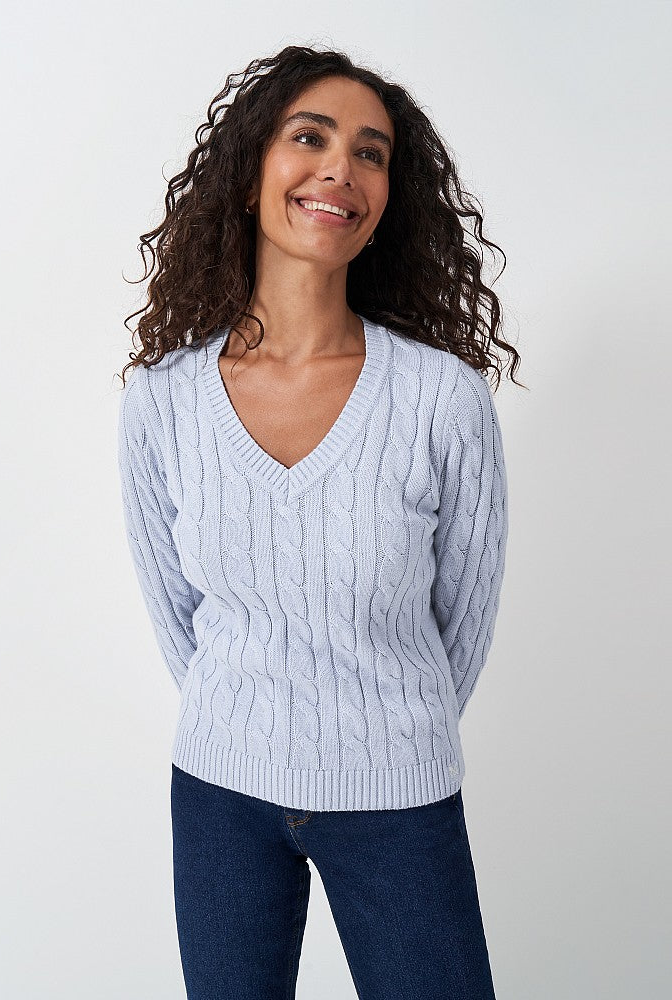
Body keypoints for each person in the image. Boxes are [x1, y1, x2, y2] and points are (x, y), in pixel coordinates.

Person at [116, 43, 522, 1000]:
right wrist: (252, 723)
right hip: (219, 792)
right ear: (248, 173)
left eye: (370, 153)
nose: (341, 167)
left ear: (386, 201)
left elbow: (463, 621)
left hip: (397, 797)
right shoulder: (163, 399)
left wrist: (380, 737)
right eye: (310, 138)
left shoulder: (440, 399)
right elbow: (176, 613)